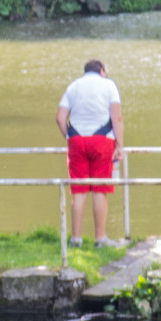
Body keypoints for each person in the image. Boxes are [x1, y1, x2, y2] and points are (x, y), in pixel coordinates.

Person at [56, 56, 124, 245]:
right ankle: (100, 238)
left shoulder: (73, 86)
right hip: (102, 141)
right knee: (99, 190)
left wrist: (70, 137)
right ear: (102, 71)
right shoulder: (109, 85)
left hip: (77, 141)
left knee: (78, 190)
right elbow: (117, 118)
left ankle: (76, 239)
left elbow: (60, 118)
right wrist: (120, 145)